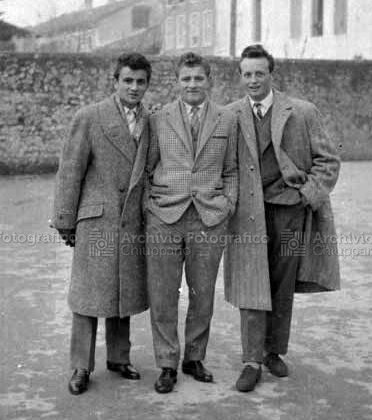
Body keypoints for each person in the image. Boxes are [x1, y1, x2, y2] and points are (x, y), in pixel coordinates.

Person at [224, 44, 341, 392]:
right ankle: (250, 361)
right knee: (250, 284)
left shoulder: (302, 112)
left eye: (260, 73)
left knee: (281, 285)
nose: (253, 80)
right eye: (247, 74)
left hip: (289, 211)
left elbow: (329, 161)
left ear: (271, 74)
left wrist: (308, 195)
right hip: (247, 216)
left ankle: (273, 351)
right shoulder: (230, 115)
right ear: (240, 76)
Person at [52, 52, 152, 395]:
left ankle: (118, 358)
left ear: (147, 85)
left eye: (140, 82)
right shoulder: (90, 117)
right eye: (127, 80)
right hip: (97, 221)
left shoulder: (149, 121)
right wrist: (65, 220)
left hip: (131, 220)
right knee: (88, 297)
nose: (134, 88)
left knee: (121, 291)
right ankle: (80, 366)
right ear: (115, 81)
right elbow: (70, 171)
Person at [145, 52, 238, 394]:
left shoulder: (226, 119)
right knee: (163, 294)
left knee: (202, 295)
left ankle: (194, 358)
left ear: (209, 80)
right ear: (177, 82)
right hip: (165, 217)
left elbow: (231, 170)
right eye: (186, 79)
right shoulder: (158, 119)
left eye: (198, 78)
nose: (192, 84)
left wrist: (227, 205)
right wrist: (150, 208)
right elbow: (146, 166)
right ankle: (167, 363)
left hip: (209, 219)